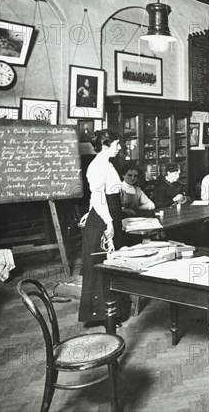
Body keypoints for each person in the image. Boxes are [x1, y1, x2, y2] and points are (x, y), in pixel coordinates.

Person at [78, 129, 128, 325]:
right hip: (103, 219)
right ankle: (103, 315)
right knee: (102, 266)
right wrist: (108, 223)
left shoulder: (106, 164)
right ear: (106, 146)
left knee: (111, 264)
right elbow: (98, 197)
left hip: (107, 214)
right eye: (117, 144)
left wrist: (92, 212)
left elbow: (97, 197)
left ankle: (111, 312)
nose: (120, 148)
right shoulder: (98, 166)